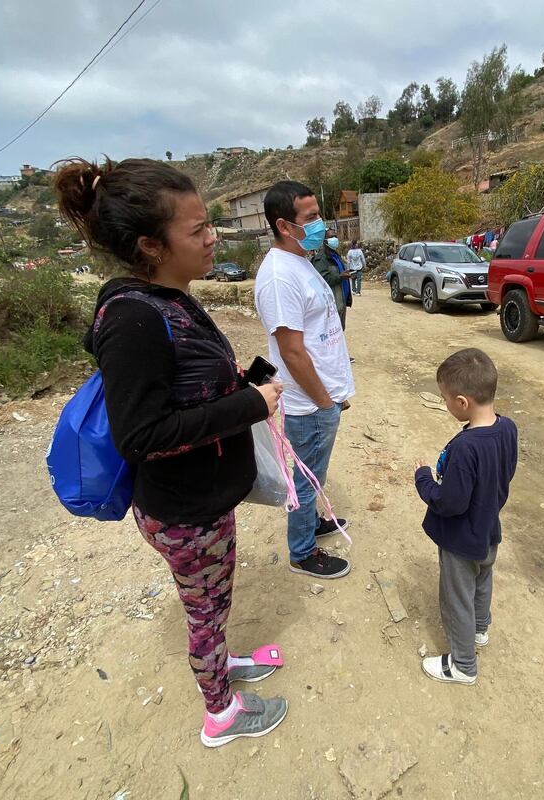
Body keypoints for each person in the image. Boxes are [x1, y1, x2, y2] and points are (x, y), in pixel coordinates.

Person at [54, 157, 288, 747]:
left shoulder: (169, 298)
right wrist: (251, 406)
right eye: (197, 229)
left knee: (214, 597)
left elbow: (183, 386)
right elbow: (143, 434)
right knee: (204, 612)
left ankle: (223, 666)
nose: (213, 238)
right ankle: (221, 714)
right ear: (150, 246)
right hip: (185, 509)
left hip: (203, 500)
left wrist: (239, 384)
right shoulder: (134, 317)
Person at [255, 181, 354, 580]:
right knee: (305, 478)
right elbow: (292, 352)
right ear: (284, 225)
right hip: (309, 403)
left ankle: (312, 526)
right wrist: (325, 402)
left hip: (322, 398)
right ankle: (302, 551)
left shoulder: (301, 260)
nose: (320, 224)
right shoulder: (279, 277)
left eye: (319, 214)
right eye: (310, 218)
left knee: (314, 473)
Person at [414, 349, 518, 684]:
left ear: (462, 402)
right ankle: (479, 630)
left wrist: (424, 479)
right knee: (482, 580)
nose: (445, 404)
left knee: (456, 597)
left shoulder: (465, 447)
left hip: (461, 539)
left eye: (445, 398)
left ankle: (462, 665)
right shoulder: (508, 428)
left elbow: (450, 503)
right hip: (489, 528)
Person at [311, 229, 352, 330]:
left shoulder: (336, 256)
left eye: (335, 237)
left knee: (340, 331)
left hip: (341, 303)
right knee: (332, 335)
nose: (334, 239)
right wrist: (340, 277)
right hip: (332, 307)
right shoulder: (321, 259)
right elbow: (322, 281)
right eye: (331, 237)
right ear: (324, 240)